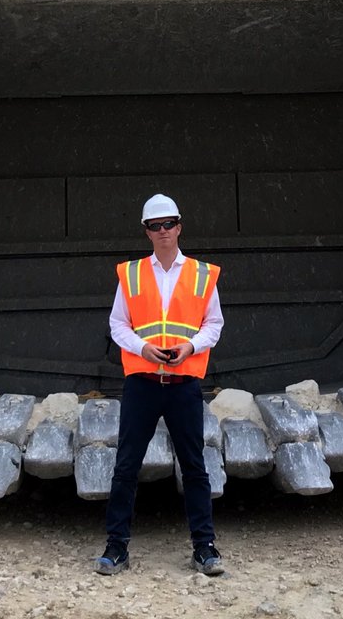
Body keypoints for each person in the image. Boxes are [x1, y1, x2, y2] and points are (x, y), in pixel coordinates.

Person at [95, 193, 225, 576]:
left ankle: (205, 549)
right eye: (156, 225)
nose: (163, 231)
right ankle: (116, 548)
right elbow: (118, 324)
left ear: (179, 226)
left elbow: (213, 324)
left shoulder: (203, 274)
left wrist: (190, 346)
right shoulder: (131, 274)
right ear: (146, 231)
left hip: (184, 382)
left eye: (169, 223)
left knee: (195, 467)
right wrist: (142, 348)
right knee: (126, 466)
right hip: (143, 381)